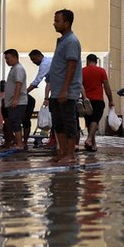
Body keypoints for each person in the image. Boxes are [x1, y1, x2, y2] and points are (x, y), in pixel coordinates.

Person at [47, 9, 84, 163]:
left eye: (57, 20)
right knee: (58, 123)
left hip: (66, 92)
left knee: (69, 122)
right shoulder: (62, 40)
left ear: (66, 23)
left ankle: (71, 154)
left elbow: (71, 65)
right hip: (56, 91)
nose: (54, 23)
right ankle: (62, 152)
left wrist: (64, 89)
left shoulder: (71, 41)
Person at [82, 54, 115, 152]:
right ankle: (89, 140)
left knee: (89, 122)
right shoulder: (101, 71)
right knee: (95, 120)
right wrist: (111, 100)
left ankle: (93, 144)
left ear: (87, 61)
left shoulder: (82, 71)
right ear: (96, 61)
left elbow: (79, 85)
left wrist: (83, 98)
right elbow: (107, 87)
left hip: (86, 100)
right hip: (98, 100)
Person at [2, 49, 29, 152]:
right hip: (13, 101)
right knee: (14, 122)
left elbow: (19, 84)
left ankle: (20, 144)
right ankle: (18, 142)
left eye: (8, 58)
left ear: (14, 57)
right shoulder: (14, 68)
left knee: (15, 122)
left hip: (18, 102)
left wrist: (15, 99)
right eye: (5, 59)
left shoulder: (18, 68)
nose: (7, 61)